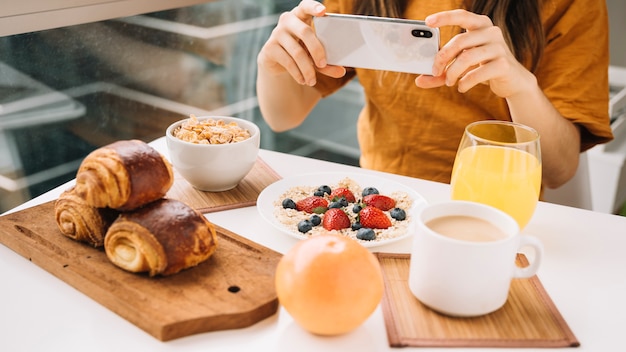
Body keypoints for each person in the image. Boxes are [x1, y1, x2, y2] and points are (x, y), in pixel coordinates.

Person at [256, 0, 614, 189]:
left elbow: (559, 169)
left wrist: (519, 87)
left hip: (494, 212)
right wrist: (273, 64)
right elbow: (283, 116)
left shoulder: (571, 5)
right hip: (380, 197)